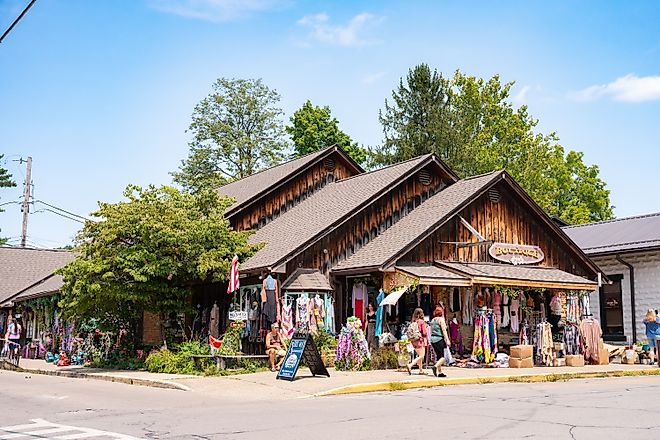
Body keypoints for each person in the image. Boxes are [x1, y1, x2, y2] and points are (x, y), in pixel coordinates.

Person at [406, 308, 429, 375]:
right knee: (422, 356)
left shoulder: (414, 322)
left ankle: (421, 370)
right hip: (419, 340)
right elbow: (424, 333)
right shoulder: (421, 322)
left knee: (419, 356)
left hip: (414, 341)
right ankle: (410, 365)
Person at [429, 306, 451, 377]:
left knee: (439, 356)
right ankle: (435, 367)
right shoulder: (441, 320)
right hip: (439, 339)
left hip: (433, 340)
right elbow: (444, 330)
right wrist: (447, 340)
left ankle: (440, 372)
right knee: (444, 357)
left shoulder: (432, 320)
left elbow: (431, 331)